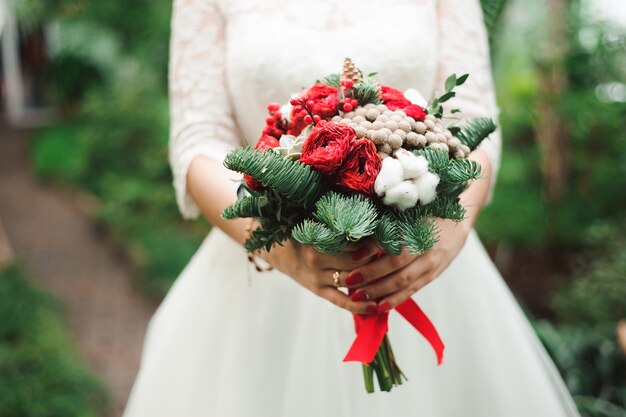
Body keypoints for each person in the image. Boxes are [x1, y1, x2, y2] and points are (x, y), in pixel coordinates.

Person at [124, 0, 580, 416]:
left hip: (419, 255)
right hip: (266, 270)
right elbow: (197, 139)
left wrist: (445, 238)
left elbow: (474, 114)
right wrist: (285, 252)